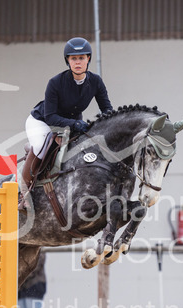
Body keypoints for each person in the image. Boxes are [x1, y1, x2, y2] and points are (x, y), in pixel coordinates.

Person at [20, 36, 113, 209]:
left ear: (88, 59)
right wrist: (75, 124)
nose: (78, 62)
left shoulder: (96, 81)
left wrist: (107, 126)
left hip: (71, 124)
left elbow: (107, 109)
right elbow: (51, 117)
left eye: (81, 58)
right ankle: (23, 193)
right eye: (73, 58)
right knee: (40, 146)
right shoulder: (55, 83)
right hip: (42, 122)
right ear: (68, 61)